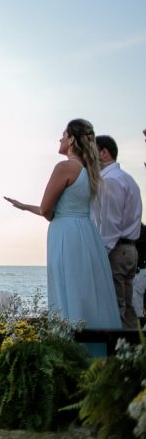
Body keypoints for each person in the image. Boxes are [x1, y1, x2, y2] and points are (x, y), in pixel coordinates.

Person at [5, 118, 120, 332]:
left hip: (65, 234)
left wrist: (47, 215)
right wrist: (24, 207)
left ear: (72, 141)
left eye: (64, 135)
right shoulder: (89, 171)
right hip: (86, 233)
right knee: (86, 290)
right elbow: (57, 207)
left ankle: (70, 341)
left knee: (67, 287)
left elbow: (47, 209)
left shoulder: (65, 167)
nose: (60, 139)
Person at [93, 135, 142, 329]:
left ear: (104, 153)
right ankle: (132, 355)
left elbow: (110, 224)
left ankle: (117, 356)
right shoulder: (128, 179)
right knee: (128, 307)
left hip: (116, 250)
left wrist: (100, 255)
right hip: (130, 250)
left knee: (115, 308)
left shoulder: (111, 181)